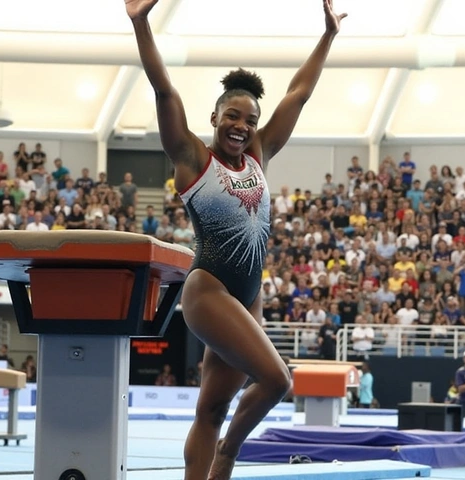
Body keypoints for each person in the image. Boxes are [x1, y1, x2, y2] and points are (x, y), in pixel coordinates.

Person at [126, 1, 347, 478]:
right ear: (214, 116)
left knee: (210, 410)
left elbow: (299, 93)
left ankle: (213, 462)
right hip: (209, 291)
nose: (241, 127)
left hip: (247, 300)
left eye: (250, 120)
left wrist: (328, 35)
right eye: (233, 115)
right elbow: (164, 88)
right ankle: (228, 453)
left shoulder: (258, 155)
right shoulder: (191, 157)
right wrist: (141, 22)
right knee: (276, 379)